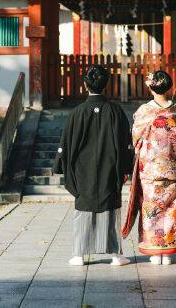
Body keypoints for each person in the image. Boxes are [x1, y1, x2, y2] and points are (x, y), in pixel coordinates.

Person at [122, 70, 176, 264]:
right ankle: (167, 251)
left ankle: (154, 252)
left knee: (151, 209)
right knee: (170, 209)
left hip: (150, 170)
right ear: (168, 87)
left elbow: (136, 138)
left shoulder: (144, 111)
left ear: (151, 88)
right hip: (173, 169)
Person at [53, 64, 134, 266]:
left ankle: (78, 255)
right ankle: (116, 255)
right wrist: (126, 168)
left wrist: (61, 165)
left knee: (83, 209)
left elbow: (66, 143)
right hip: (110, 167)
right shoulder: (115, 111)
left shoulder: (77, 112)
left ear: (85, 85)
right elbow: (126, 143)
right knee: (112, 209)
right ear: (106, 85)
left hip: (82, 169)